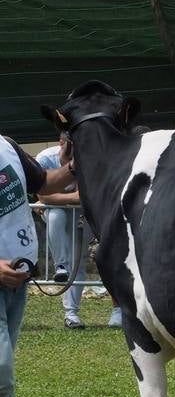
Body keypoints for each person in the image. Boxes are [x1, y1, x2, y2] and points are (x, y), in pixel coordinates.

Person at [0, 134, 77, 397]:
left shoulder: (6, 145)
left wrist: (77, 162)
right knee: (0, 369)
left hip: (17, 276)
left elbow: (44, 183)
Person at [35, 133, 102, 329]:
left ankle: (71, 314)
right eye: (69, 147)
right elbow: (43, 195)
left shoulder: (87, 159)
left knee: (78, 260)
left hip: (81, 214)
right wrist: (51, 199)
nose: (72, 154)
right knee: (56, 215)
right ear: (61, 143)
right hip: (59, 213)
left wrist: (51, 198)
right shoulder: (46, 158)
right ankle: (60, 266)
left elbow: (82, 197)